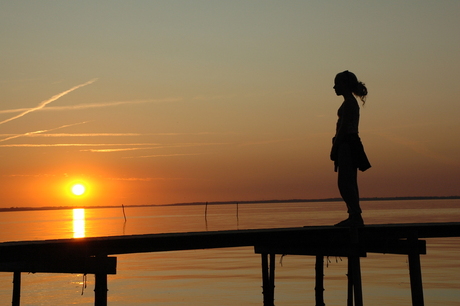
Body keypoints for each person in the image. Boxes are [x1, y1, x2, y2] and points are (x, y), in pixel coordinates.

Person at [330, 70, 371, 227]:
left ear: (344, 85)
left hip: (347, 144)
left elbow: (344, 128)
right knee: (348, 181)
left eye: (337, 84)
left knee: (346, 182)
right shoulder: (349, 102)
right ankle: (354, 214)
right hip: (348, 144)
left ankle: (355, 215)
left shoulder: (349, 103)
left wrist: (335, 148)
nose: (334, 87)